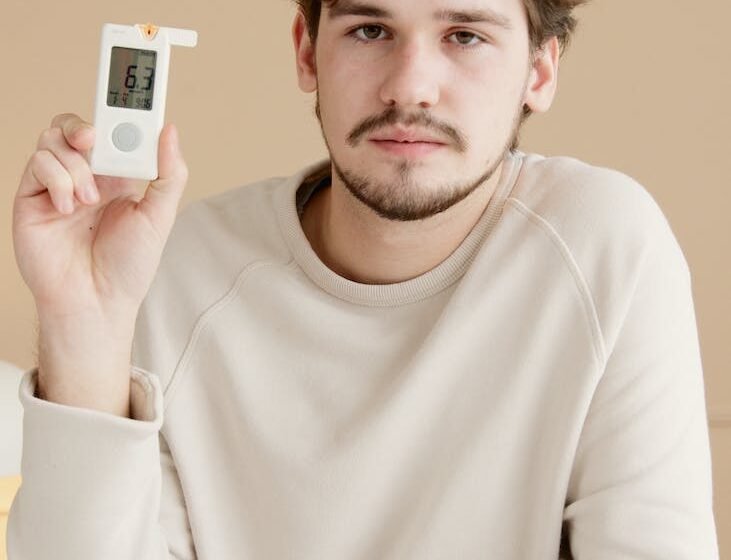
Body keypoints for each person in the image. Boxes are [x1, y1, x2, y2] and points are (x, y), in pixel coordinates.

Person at [7, 0, 720, 558]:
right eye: (369, 29)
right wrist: (85, 321)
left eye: (465, 35)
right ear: (306, 52)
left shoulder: (605, 245)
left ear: (539, 70)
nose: (410, 84)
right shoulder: (182, 268)